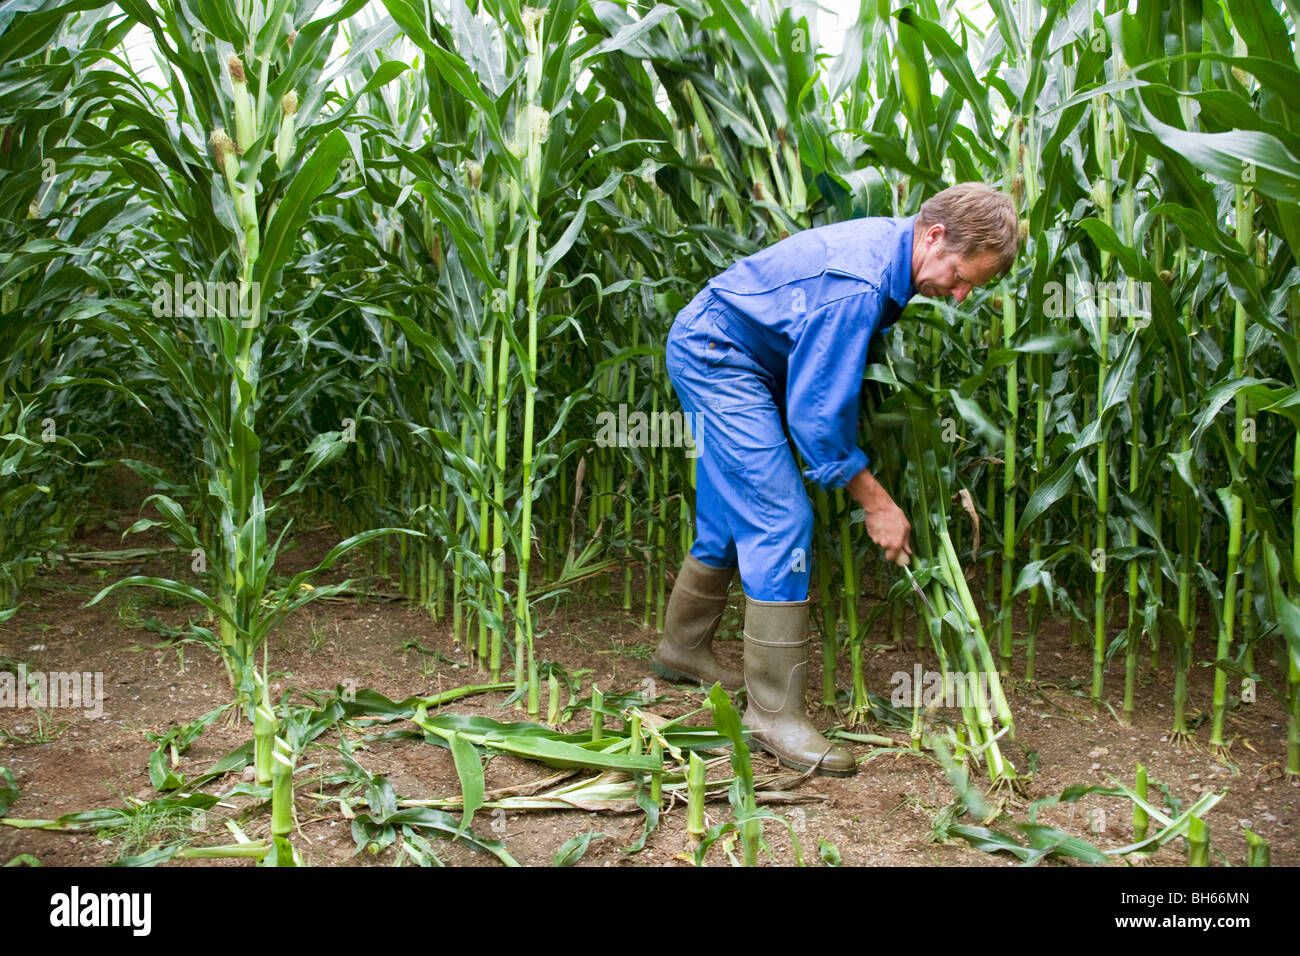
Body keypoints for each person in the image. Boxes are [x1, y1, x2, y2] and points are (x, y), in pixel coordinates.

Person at [653, 182, 1019, 776]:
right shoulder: (862, 283)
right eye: (959, 277)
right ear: (934, 236)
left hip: (744, 350)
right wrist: (878, 503)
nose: (957, 294)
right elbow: (816, 421)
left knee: (730, 509)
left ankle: (682, 650)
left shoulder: (893, 252)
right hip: (718, 354)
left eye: (970, 287)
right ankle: (772, 716)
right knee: (780, 517)